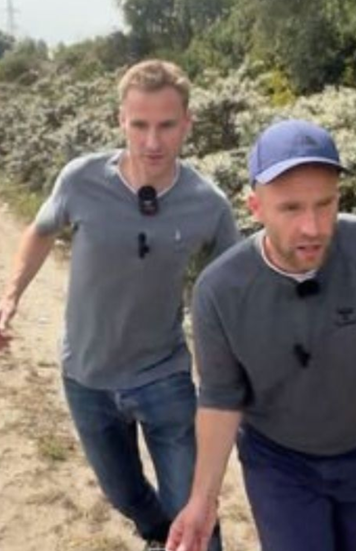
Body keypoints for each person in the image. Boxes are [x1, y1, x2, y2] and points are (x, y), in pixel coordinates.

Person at [165, 120, 356, 551]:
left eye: (324, 204)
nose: (312, 227)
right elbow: (221, 396)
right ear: (255, 207)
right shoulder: (221, 290)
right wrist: (203, 499)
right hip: (278, 465)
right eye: (291, 208)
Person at [0, 60, 237, 551]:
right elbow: (41, 231)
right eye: (139, 125)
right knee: (123, 494)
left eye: (166, 125)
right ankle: (156, 535)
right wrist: (10, 296)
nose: (152, 141)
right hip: (85, 375)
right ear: (120, 121)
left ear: (187, 124)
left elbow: (233, 286)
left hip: (163, 375)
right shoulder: (81, 179)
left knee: (193, 509)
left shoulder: (208, 203)